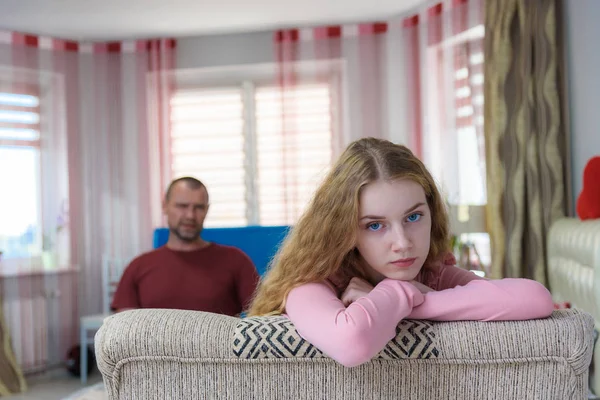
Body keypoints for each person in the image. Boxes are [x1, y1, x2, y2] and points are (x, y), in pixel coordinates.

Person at [248, 137, 554, 367]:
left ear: (431, 212)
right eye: (375, 225)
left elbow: (535, 298)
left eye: (413, 217)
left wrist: (418, 300)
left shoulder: (431, 275)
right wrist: (400, 291)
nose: (403, 242)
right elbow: (351, 345)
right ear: (345, 231)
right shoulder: (311, 283)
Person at [112, 177, 259, 316]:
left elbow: (263, 313)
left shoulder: (235, 260)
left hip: (218, 343)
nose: (190, 215)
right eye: (182, 206)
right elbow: (124, 329)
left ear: (207, 210)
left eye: (199, 207)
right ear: (165, 206)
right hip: (154, 343)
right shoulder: (139, 266)